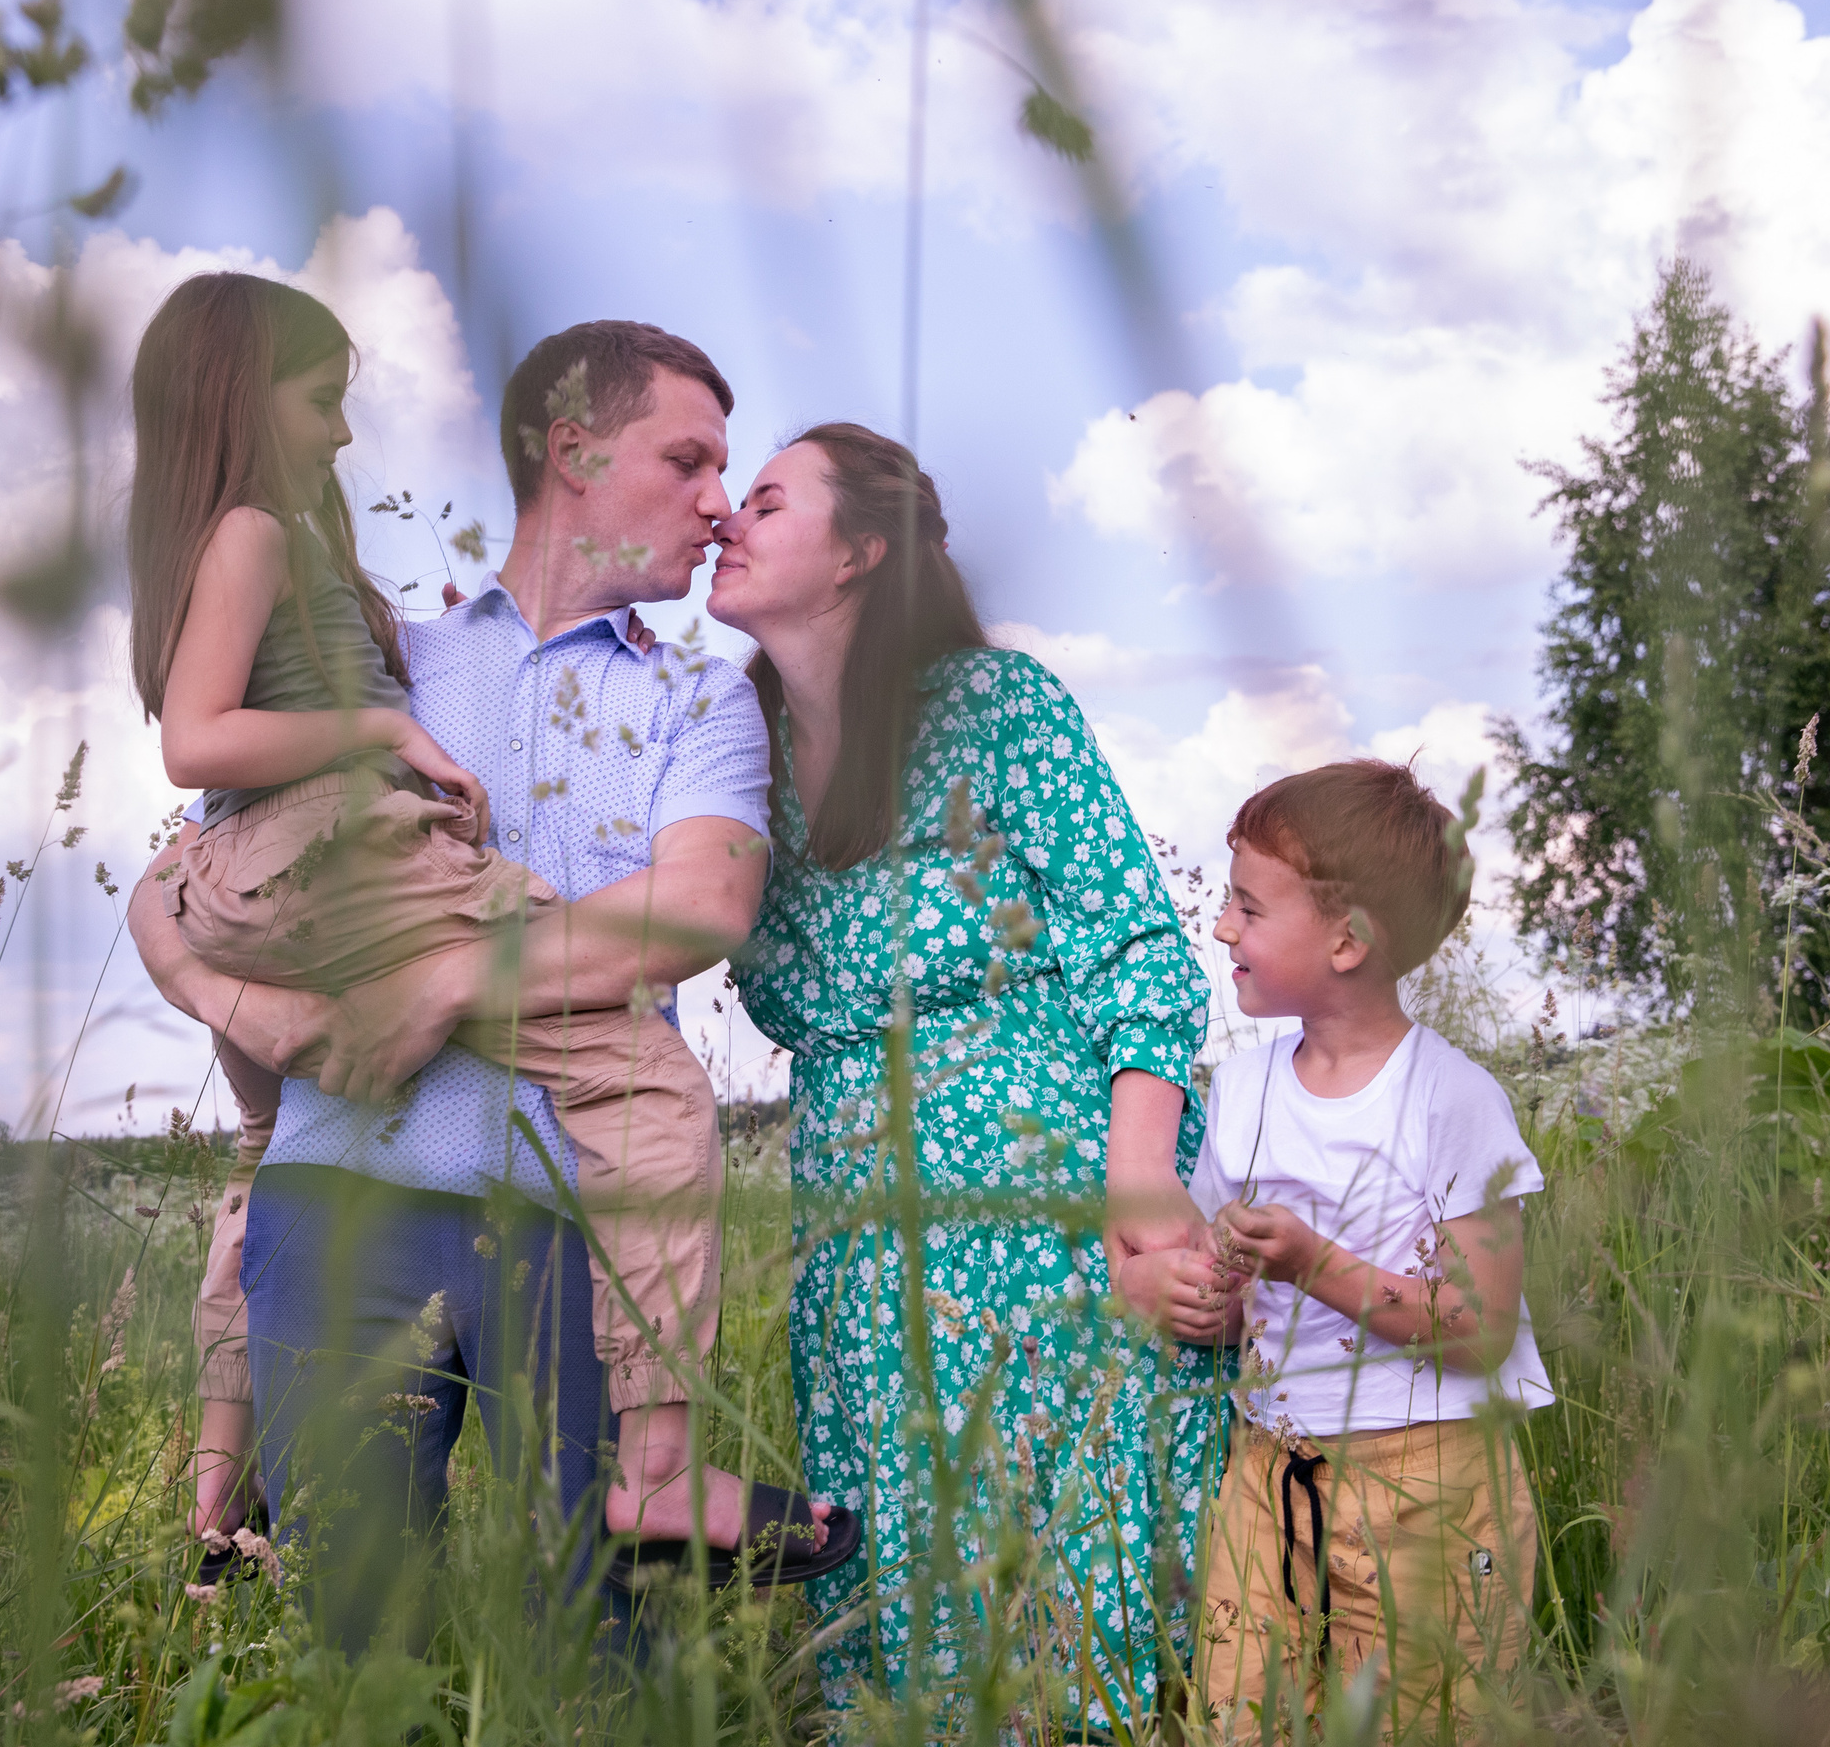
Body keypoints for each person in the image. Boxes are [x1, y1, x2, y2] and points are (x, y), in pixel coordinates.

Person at [127, 315, 844, 1647]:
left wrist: (447, 987)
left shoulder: (700, 699)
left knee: (605, 1658)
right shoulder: (388, 664)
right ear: (572, 451)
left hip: (576, 1236)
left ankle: (662, 1486)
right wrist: (257, 1013)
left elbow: (701, 905)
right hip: (334, 1221)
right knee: (357, 1648)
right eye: (686, 460)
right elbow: (183, 881)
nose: (716, 505)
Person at [707, 422, 1230, 1730]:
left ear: (860, 554)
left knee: (1064, 1588)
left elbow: (1136, 951)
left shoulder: (996, 710)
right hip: (862, 1256)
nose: (728, 517)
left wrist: (1139, 1194)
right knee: (904, 1604)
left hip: (1039, 1219)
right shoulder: (734, 752)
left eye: (767, 500)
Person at [1128, 760, 1551, 1737]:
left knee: (1424, 1713)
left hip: (1430, 1481)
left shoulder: (1452, 1100)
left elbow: (1479, 1328)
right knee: (1244, 1709)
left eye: (1247, 905)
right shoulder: (1240, 1089)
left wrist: (1311, 1262)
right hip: (1269, 1465)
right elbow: (1235, 1292)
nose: (1221, 926)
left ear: (1348, 940)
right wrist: (1204, 1294)